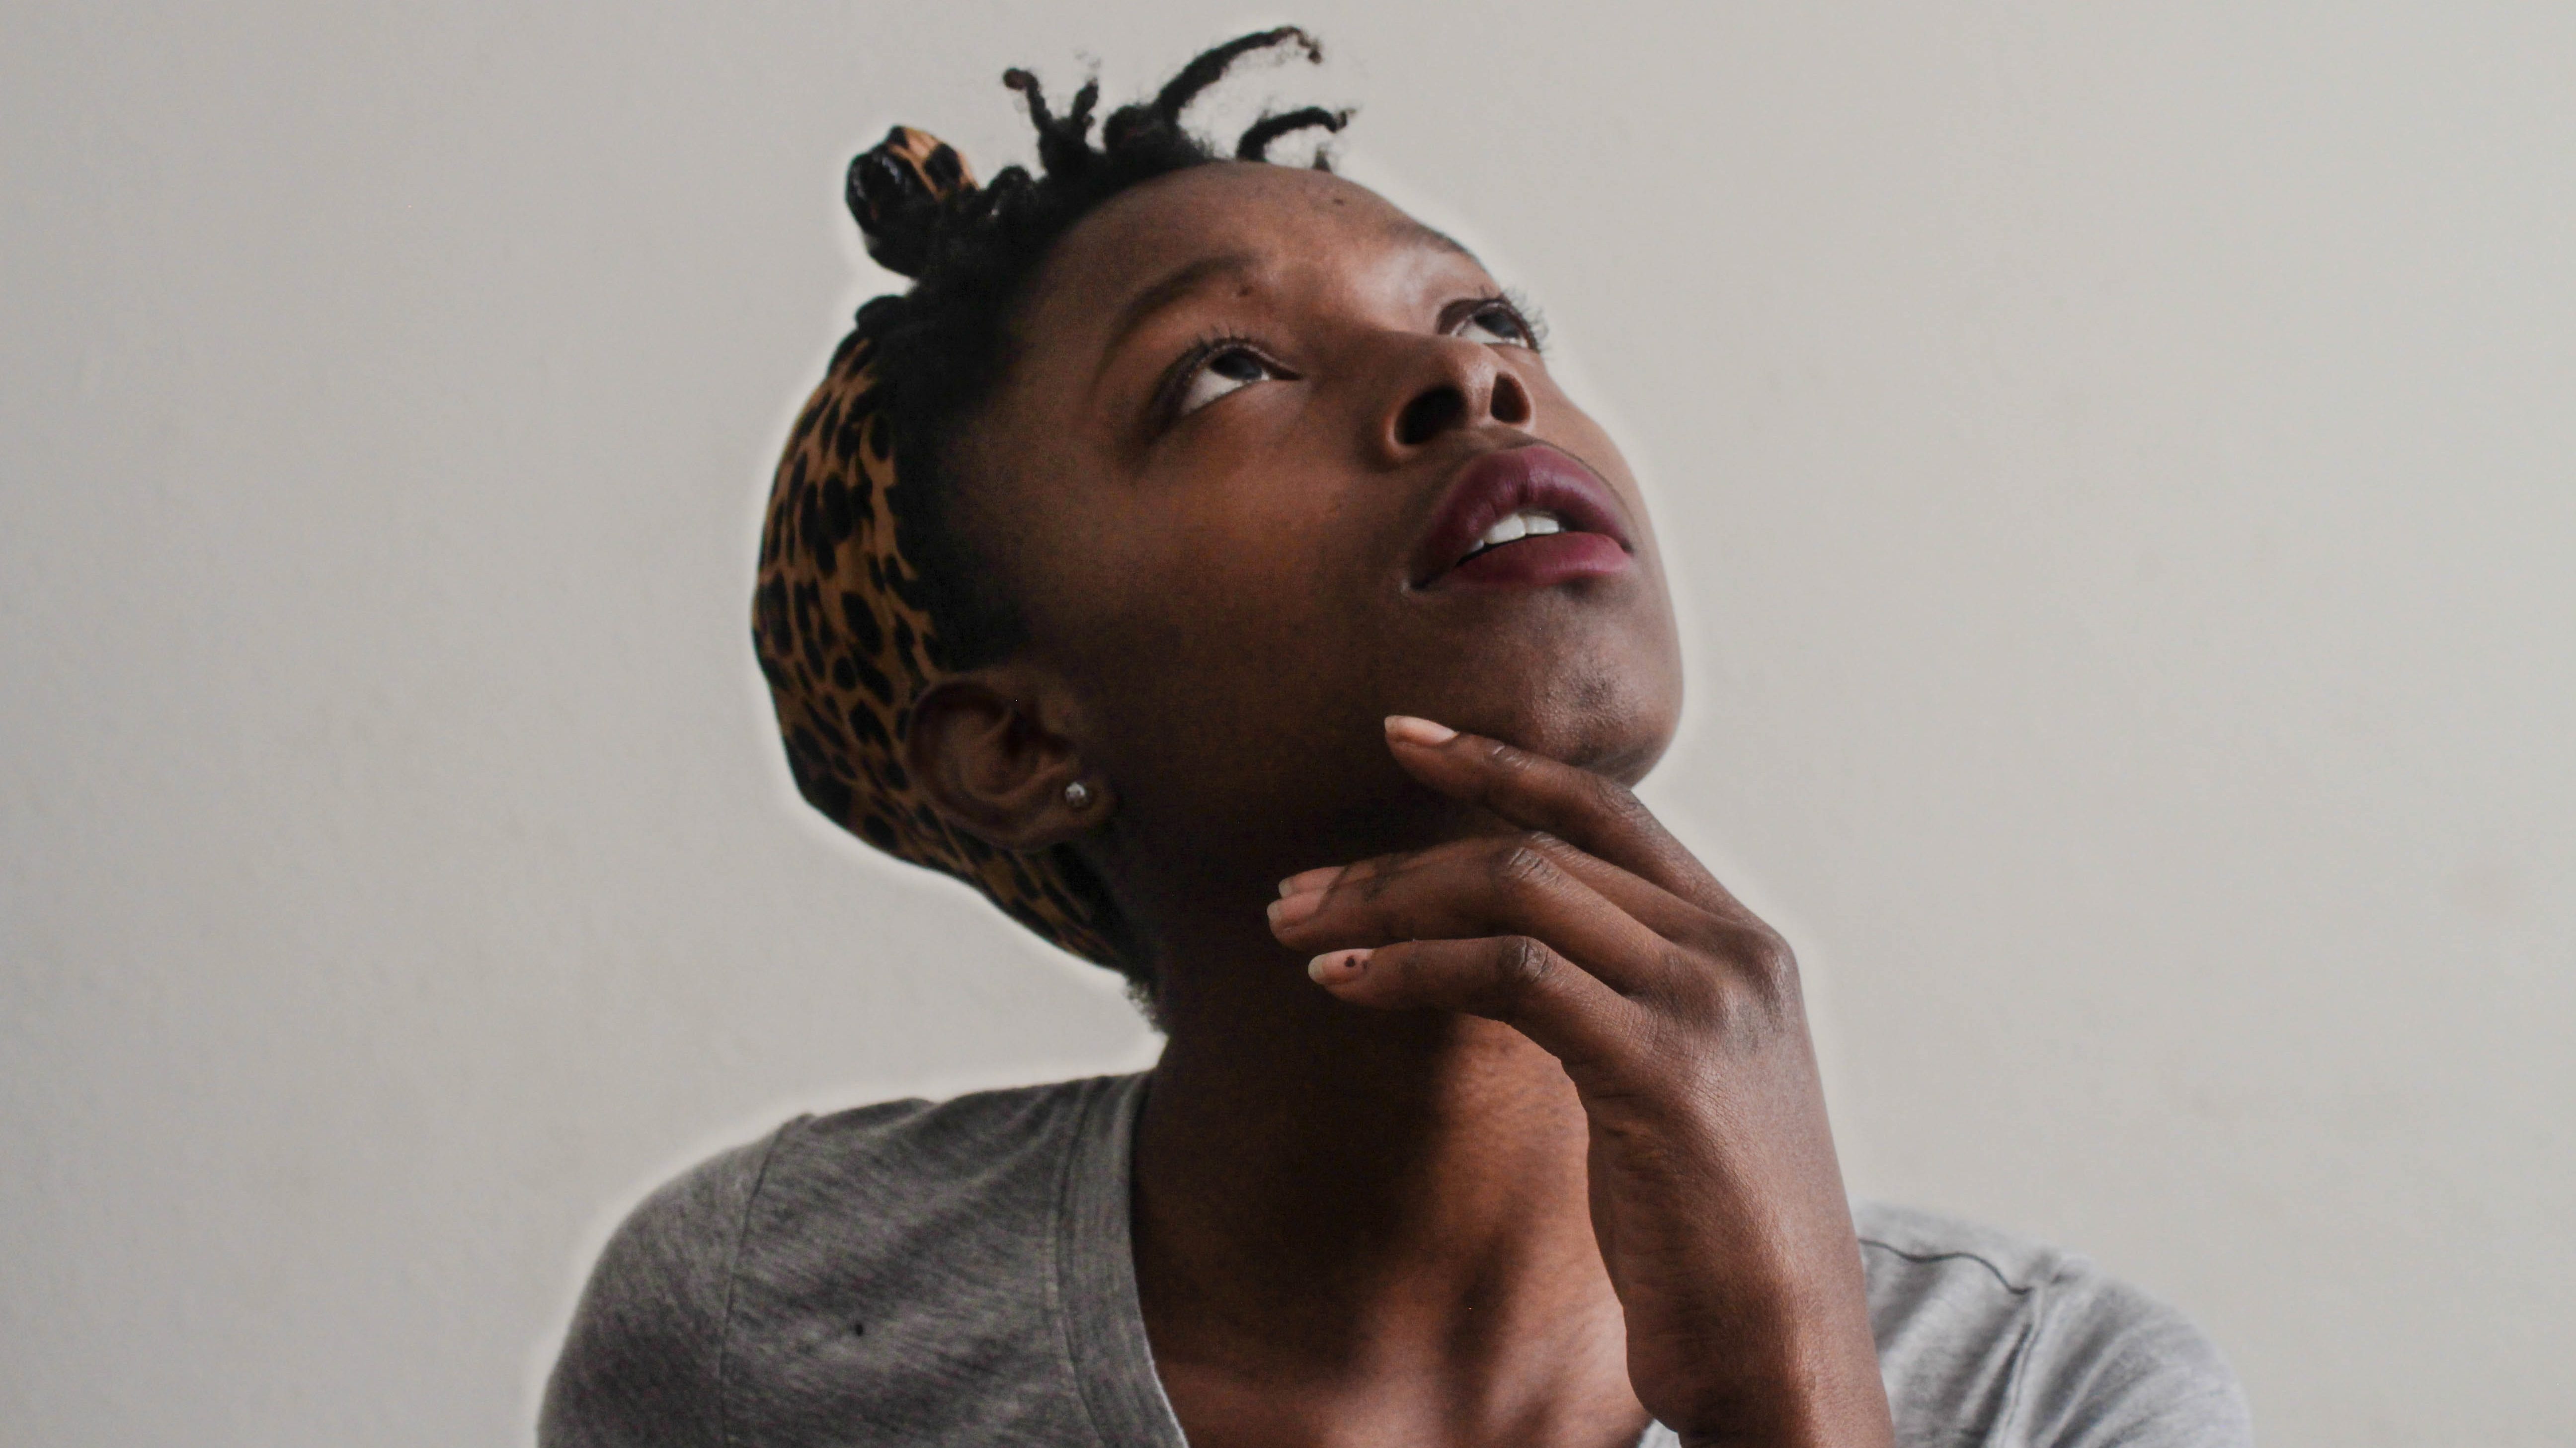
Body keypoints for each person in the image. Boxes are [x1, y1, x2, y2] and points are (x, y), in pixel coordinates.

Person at [540, 28, 2253, 1448]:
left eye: (1489, 321)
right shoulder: (765, 1335)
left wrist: (1790, 1396)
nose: (1473, 386)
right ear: (1014, 739)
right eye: (1224, 369)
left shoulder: (2058, 1397)